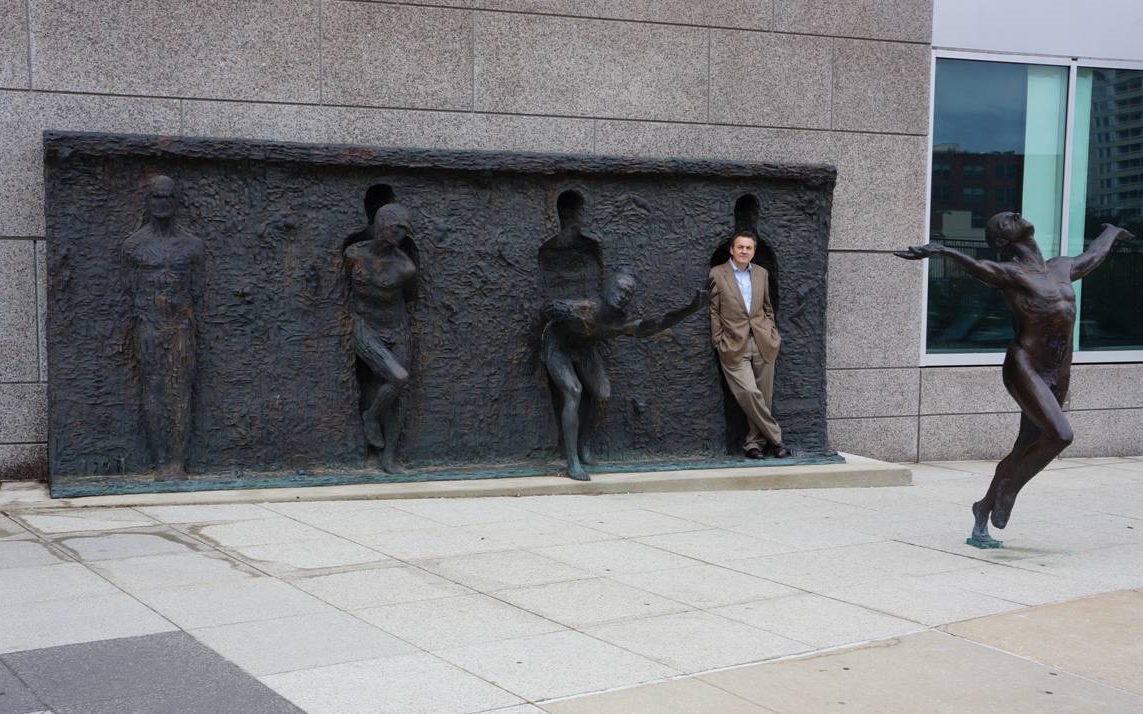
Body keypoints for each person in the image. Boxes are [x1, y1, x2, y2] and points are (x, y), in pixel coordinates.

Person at [896, 212, 1134, 547]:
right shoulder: (1011, 273)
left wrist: (1110, 231)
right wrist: (944, 252)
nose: (1013, 215)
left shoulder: (1061, 266)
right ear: (1002, 242)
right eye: (1003, 222)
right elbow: (982, 269)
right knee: (1061, 435)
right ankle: (1009, 490)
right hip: (1025, 366)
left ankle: (982, 510)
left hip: (1058, 370)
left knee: (1026, 446)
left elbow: (1092, 256)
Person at [541, 271, 707, 481]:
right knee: (574, 391)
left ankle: (585, 444)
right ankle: (572, 462)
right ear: (607, 289)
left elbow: (656, 324)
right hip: (558, 346)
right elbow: (546, 310)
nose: (623, 296)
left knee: (603, 395)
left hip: (585, 349)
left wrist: (689, 309)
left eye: (628, 294)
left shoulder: (620, 323)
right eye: (620, 290)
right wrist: (558, 309)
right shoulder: (582, 308)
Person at [122, 175, 206, 481]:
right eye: (156, 197)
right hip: (148, 326)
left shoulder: (193, 246)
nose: (162, 204)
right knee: (154, 391)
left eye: (167, 198)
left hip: (181, 326)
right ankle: (160, 462)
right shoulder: (133, 246)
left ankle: (178, 463)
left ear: (176, 202)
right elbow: (128, 292)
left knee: (181, 392)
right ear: (148, 201)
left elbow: (198, 292)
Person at [344, 203, 417, 473]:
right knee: (398, 377)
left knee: (396, 392)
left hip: (396, 329)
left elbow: (410, 298)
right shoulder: (353, 254)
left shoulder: (405, 268)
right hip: (364, 326)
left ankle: (389, 457)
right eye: (397, 228)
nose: (401, 235)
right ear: (382, 223)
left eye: (405, 231)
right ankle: (371, 417)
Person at [708, 230, 789, 460]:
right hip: (733, 344)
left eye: (749, 248)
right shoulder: (717, 274)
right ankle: (776, 439)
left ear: (753, 251)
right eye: (740, 247)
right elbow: (713, 310)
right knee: (748, 392)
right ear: (732, 250)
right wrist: (718, 340)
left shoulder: (761, 274)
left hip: (763, 341)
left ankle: (753, 444)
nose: (744, 251)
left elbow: (767, 307)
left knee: (763, 396)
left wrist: (772, 333)